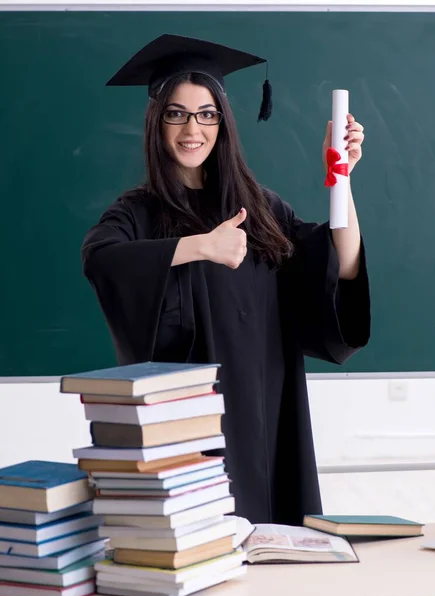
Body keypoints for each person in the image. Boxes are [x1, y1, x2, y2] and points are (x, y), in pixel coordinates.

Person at [81, 34, 370, 526]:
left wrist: (341, 180)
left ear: (222, 123)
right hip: (188, 427)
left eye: (206, 113)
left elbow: (340, 266)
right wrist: (198, 247)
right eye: (177, 113)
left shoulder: (261, 207)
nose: (192, 128)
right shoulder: (136, 212)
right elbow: (101, 260)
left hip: (267, 415)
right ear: (157, 122)